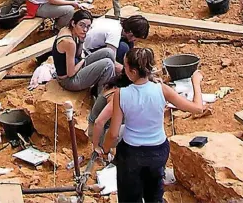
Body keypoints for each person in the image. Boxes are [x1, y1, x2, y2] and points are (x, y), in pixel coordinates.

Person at [102, 48, 204, 202]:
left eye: (126, 67)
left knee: (129, 197)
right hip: (158, 151)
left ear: (134, 71)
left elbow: (113, 134)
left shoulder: (121, 94)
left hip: (131, 153)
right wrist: (195, 82)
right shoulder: (162, 89)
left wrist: (104, 149)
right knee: (154, 194)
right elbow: (197, 108)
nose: (124, 70)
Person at [52, 10, 115, 94]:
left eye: (88, 26)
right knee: (108, 64)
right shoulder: (69, 42)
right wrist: (83, 61)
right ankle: (101, 98)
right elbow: (70, 73)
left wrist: (81, 41)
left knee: (109, 52)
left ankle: (107, 83)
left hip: (75, 67)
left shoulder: (67, 29)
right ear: (73, 23)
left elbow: (77, 54)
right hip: (68, 81)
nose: (85, 29)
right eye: (81, 25)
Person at [83, 15, 150, 73]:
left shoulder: (117, 24)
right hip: (86, 52)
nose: (136, 40)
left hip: (91, 43)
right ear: (131, 33)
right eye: (136, 38)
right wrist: (127, 72)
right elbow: (111, 59)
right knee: (123, 48)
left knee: (129, 44)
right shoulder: (114, 33)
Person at [88, 72, 132, 151]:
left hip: (99, 131)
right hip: (100, 135)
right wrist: (96, 146)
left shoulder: (115, 85)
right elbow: (98, 122)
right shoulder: (115, 97)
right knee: (135, 128)